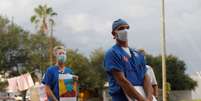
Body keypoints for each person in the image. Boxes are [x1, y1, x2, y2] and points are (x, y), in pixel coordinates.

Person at [104, 19, 154, 101]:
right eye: (121, 28)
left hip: (143, 96)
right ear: (114, 33)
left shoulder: (138, 54)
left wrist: (149, 97)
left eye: (127, 28)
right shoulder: (112, 53)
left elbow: (146, 77)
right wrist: (141, 99)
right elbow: (122, 81)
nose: (125, 31)